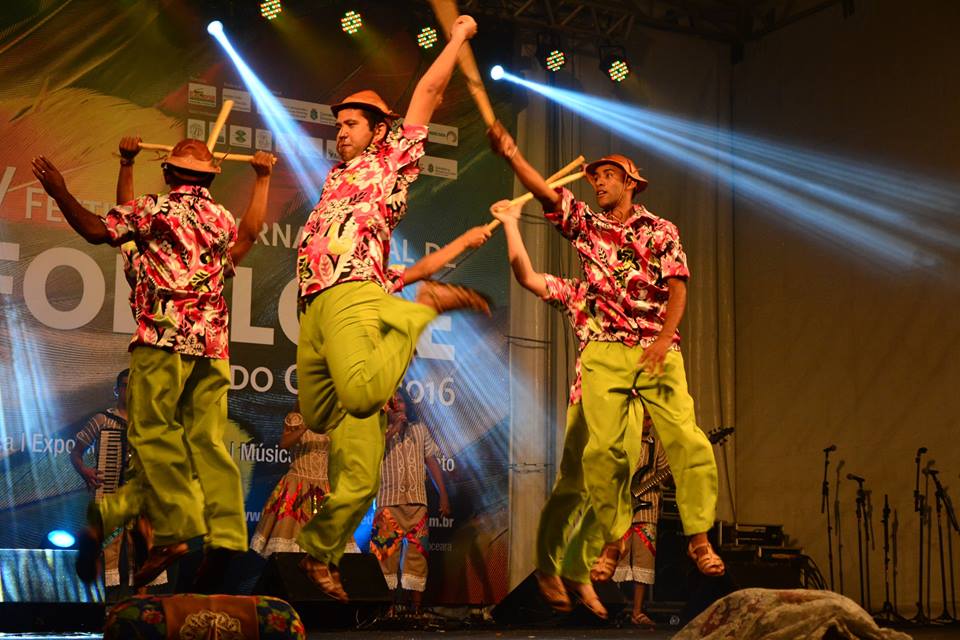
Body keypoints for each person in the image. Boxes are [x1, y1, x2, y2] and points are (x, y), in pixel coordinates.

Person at [487, 124, 724, 610]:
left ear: (631, 182)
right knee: (601, 460)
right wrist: (512, 158)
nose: (598, 182)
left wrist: (663, 339)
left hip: (654, 346)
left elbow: (678, 285)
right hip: (602, 362)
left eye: (608, 175)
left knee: (683, 440)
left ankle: (696, 538)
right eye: (594, 176)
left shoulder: (660, 231)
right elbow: (544, 207)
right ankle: (598, 548)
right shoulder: (585, 255)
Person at [294, 15, 490, 602]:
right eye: (339, 125)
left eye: (352, 124)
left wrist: (456, 40)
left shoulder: (392, 159)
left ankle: (419, 311)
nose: (341, 133)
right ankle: (326, 547)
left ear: (380, 130)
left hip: (354, 296)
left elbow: (427, 91)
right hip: (315, 305)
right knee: (320, 417)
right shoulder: (337, 176)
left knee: (360, 405)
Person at [32, 137, 276, 592]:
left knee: (150, 437)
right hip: (211, 348)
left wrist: (60, 191)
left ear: (167, 173)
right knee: (206, 445)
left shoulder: (153, 213)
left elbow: (100, 228)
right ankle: (224, 533)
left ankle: (172, 531)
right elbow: (249, 234)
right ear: (210, 178)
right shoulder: (219, 221)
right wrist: (262, 179)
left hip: (163, 341)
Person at [69, 369, 166, 592]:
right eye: (125, 385)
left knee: (142, 550)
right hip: (109, 493)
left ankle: (141, 602)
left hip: (139, 497)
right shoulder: (102, 420)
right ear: (116, 390)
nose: (130, 390)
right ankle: (109, 602)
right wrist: (85, 471)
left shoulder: (148, 423)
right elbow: (76, 453)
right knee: (108, 551)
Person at [370, 388, 450, 615]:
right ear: (385, 409)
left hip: (417, 505)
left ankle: (416, 611)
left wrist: (443, 494)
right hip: (388, 503)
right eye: (392, 403)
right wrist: (393, 429)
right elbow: (371, 455)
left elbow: (431, 462)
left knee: (418, 558)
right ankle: (387, 611)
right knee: (385, 557)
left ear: (408, 405)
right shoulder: (378, 431)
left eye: (401, 401)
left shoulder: (419, 429)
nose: (397, 405)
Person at [608, 414, 669, 628]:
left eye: (650, 419)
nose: (648, 423)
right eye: (644, 419)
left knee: (644, 560)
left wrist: (673, 471)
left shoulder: (656, 445)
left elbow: (665, 476)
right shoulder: (621, 441)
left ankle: (637, 612)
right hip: (621, 507)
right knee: (617, 558)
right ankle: (614, 610)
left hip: (647, 510)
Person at [250, 404, 330, 557]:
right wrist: (305, 427)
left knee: (319, 540)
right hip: (298, 484)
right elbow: (284, 444)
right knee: (290, 535)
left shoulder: (329, 423)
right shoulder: (296, 419)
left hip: (321, 487)